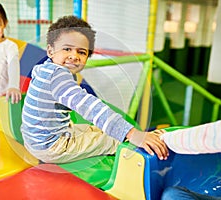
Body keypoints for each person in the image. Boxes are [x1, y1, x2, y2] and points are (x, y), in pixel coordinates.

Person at [20, 15, 169, 164]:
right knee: (114, 141)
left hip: (33, 139)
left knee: (96, 130)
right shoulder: (58, 77)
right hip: (51, 147)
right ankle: (142, 158)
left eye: (81, 52)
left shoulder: (44, 69)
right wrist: (132, 133)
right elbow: (90, 107)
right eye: (67, 49)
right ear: (50, 51)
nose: (74, 56)